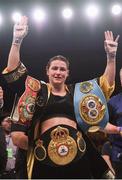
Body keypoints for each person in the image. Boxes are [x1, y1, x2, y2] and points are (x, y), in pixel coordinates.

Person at [2, 16, 121, 179]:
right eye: (55, 68)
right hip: (43, 156)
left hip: (77, 156)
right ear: (47, 71)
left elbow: (105, 85)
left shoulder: (78, 92)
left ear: (67, 73)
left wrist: (111, 57)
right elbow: (14, 72)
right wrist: (16, 40)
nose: (58, 72)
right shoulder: (38, 90)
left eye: (62, 69)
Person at [106, 68, 122, 179]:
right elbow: (101, 125)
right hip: (119, 154)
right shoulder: (112, 102)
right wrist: (118, 129)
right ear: (121, 80)